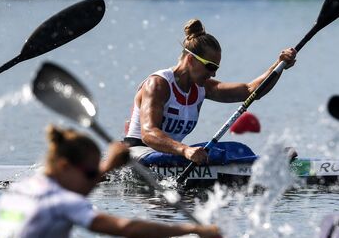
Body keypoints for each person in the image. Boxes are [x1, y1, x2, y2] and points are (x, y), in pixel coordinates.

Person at [0, 125, 221, 238]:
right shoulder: (60, 202)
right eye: (92, 173)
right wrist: (194, 230)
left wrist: (108, 166)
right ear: (64, 166)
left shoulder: (22, 190)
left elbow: (77, 187)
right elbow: (127, 229)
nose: (95, 179)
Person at [124, 19, 297, 166]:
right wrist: (185, 150)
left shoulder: (202, 87)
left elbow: (250, 91)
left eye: (216, 68)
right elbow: (149, 134)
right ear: (191, 59)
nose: (214, 73)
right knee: (216, 153)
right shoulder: (158, 84)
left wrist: (279, 66)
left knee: (235, 148)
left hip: (171, 155)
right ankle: (264, 164)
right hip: (139, 155)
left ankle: (259, 163)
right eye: (210, 66)